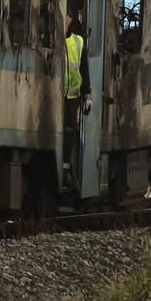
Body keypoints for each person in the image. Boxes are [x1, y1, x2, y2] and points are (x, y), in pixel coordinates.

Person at [63, 12, 92, 193]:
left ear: (71, 19)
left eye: (67, 15)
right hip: (56, 97)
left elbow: (84, 69)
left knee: (70, 132)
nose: (64, 19)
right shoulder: (50, 39)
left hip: (72, 97)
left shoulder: (78, 42)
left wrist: (87, 96)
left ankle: (67, 168)